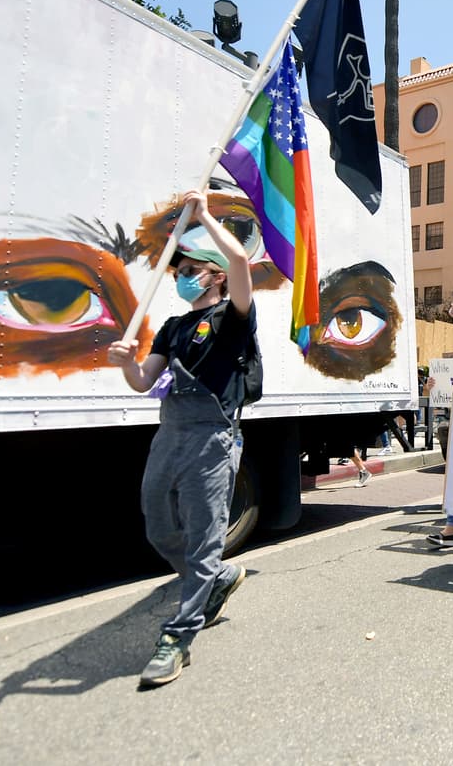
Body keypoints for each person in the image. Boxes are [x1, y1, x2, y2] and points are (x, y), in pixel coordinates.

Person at [106, 190, 255, 687]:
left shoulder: (232, 318)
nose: (183, 277)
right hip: (169, 435)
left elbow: (239, 258)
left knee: (204, 539)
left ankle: (179, 635)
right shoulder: (172, 328)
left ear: (213, 275)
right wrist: (128, 363)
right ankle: (212, 580)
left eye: (191, 270)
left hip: (213, 439)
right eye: (178, 271)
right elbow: (144, 382)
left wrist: (205, 216)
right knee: (156, 525)